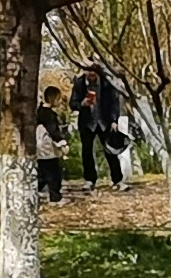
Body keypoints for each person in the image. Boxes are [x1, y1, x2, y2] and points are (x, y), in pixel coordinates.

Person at [68, 63, 127, 193]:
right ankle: (90, 180)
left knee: (110, 151)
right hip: (87, 123)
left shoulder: (106, 82)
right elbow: (72, 103)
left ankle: (118, 180)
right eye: (89, 71)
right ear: (84, 71)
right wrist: (81, 104)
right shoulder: (79, 83)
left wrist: (114, 120)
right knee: (87, 152)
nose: (91, 74)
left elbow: (114, 102)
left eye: (94, 71)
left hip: (104, 121)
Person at [35, 86, 68, 204]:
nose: (60, 102)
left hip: (39, 148)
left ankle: (35, 192)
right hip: (48, 148)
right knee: (54, 174)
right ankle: (55, 197)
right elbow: (53, 130)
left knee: (42, 173)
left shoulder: (38, 112)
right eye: (58, 99)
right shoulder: (49, 115)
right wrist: (62, 143)